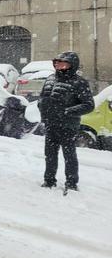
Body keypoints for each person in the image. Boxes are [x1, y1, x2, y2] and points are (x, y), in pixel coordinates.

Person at [37, 51, 94, 191]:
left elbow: (89, 105)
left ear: (71, 65)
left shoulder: (79, 82)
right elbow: (43, 96)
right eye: (57, 63)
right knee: (50, 155)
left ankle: (71, 183)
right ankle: (49, 180)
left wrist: (68, 111)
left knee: (69, 156)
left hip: (68, 126)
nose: (58, 65)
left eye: (62, 63)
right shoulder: (50, 79)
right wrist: (41, 106)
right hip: (51, 124)